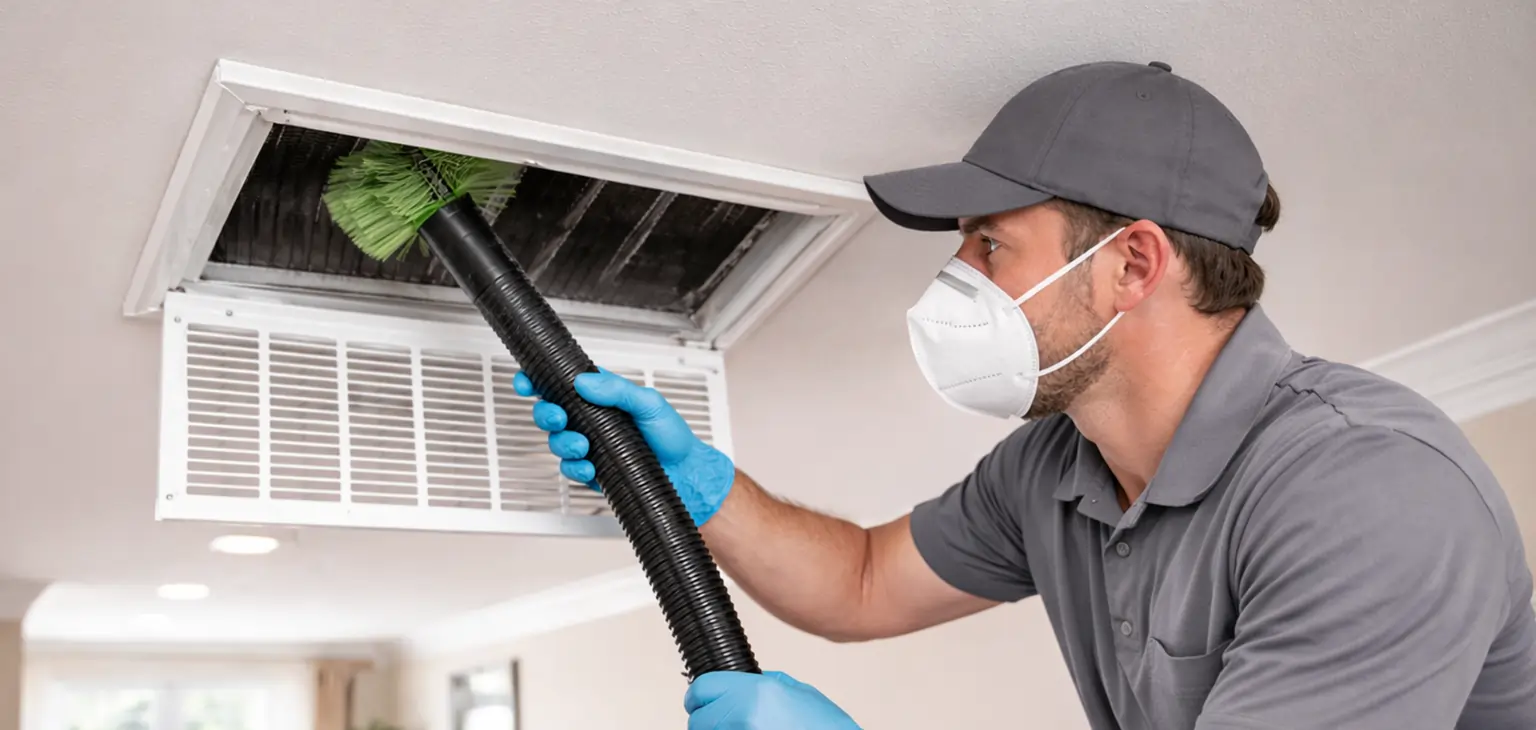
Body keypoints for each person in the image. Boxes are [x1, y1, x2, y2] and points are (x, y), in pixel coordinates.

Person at [514, 61, 1536, 729]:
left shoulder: (1369, 493)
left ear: (1135, 263)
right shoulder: (1059, 466)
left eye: (990, 244)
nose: (956, 275)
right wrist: (696, 485)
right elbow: (864, 579)